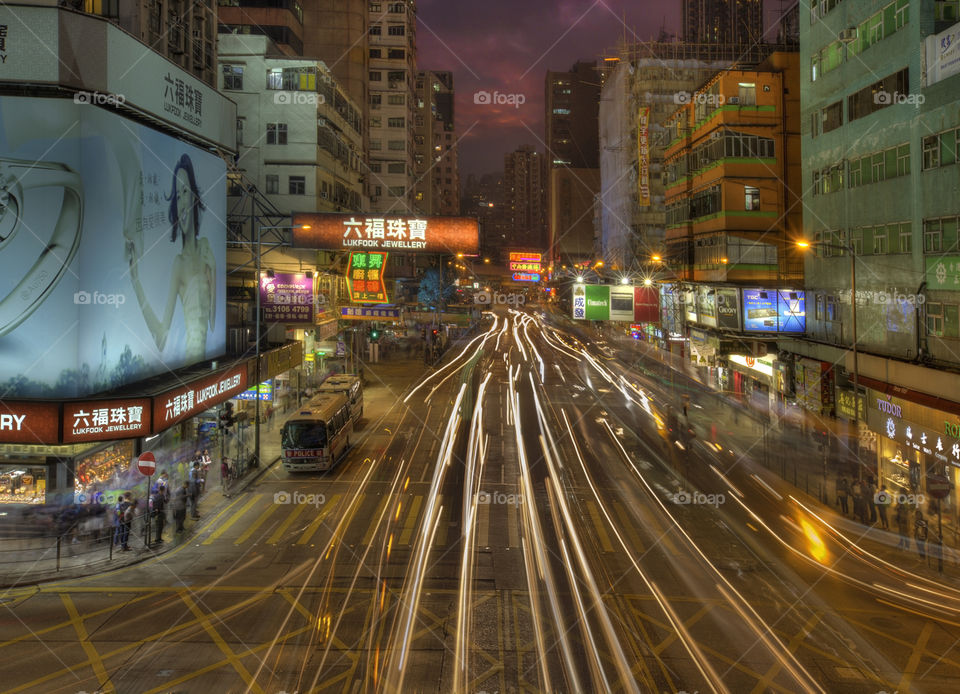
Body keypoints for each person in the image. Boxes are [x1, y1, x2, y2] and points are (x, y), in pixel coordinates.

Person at [126, 153, 216, 365]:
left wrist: (212, 270)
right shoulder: (179, 263)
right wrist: (135, 282)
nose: (182, 201)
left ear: (194, 197)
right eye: (177, 195)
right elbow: (161, 339)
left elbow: (212, 322)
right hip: (190, 364)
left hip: (202, 368)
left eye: (185, 192)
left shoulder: (205, 247)